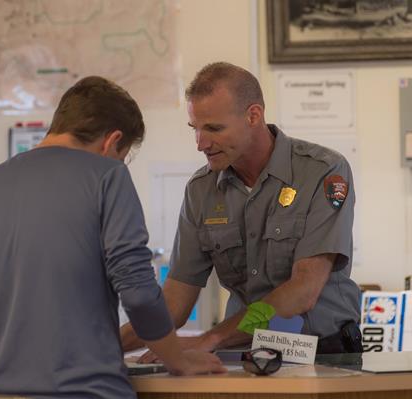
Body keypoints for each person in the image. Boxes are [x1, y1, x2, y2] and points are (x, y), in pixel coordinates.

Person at [0, 76, 225, 398]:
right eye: (124, 155)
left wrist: (10, 363)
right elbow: (139, 292)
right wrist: (178, 361)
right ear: (111, 141)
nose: (122, 165)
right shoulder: (107, 177)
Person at [121, 62, 362, 357]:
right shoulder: (201, 190)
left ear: (253, 116)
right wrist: (104, 347)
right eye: (194, 129)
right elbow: (174, 303)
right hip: (243, 355)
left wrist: (210, 339)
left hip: (324, 353)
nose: (201, 143)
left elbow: (303, 290)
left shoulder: (322, 172)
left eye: (214, 128)